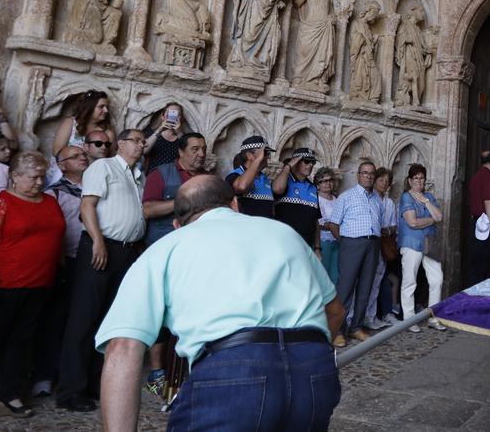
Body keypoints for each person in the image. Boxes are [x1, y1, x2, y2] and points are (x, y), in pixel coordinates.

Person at [97, 175, 344, 431]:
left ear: (176, 224)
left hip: (232, 371)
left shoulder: (165, 249)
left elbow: (123, 347)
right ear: (235, 205)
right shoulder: (286, 234)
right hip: (314, 367)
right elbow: (335, 311)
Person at [0, 151, 65, 423]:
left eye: (43, 176)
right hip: (4, 285)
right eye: (33, 177)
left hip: (39, 284)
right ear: (15, 177)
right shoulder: (0, 203)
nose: (39, 182)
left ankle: (8, 396)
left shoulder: (49, 201)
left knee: (21, 343)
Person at [56, 128, 147, 413]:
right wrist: (97, 241)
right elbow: (87, 206)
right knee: (84, 318)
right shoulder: (103, 166)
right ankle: (70, 390)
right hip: (101, 247)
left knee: (108, 320)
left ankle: (94, 383)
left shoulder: (138, 175)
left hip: (126, 251)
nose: (141, 145)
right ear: (120, 143)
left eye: (144, 142)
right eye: (136, 140)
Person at [140, 132, 207, 397]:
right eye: (194, 149)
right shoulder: (161, 173)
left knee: (188, 313)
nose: (200, 153)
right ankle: (157, 375)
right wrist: (181, 202)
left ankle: (183, 375)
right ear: (180, 152)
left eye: (203, 148)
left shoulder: (206, 179)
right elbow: (148, 210)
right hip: (163, 252)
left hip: (195, 256)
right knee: (160, 315)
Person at [31, 144, 90, 398]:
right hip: (65, 261)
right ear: (62, 165)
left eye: (83, 154)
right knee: (55, 320)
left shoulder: (96, 189)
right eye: (75, 156)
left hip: (90, 262)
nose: (83, 158)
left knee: (82, 322)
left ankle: (75, 375)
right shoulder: (54, 194)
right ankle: (44, 375)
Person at [328, 160, 383, 345]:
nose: (368, 176)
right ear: (358, 175)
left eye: (371, 173)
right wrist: (344, 244)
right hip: (351, 244)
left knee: (365, 287)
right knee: (345, 288)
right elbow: (333, 224)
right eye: (364, 172)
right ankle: (337, 330)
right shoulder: (346, 196)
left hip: (373, 244)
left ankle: (356, 327)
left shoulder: (377, 198)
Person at [398, 164, 446, 332]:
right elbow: (412, 222)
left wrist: (425, 202)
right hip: (411, 244)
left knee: (437, 279)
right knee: (410, 281)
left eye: (422, 178)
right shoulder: (406, 197)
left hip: (429, 244)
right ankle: (409, 319)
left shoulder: (429, 197)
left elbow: (439, 217)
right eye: (416, 178)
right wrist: (430, 220)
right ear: (410, 180)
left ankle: (433, 317)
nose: (419, 181)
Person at [360, 168, 398, 329]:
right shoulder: (369, 199)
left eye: (387, 181)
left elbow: (394, 226)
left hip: (382, 244)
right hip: (369, 242)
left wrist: (388, 231)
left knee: (378, 280)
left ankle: (372, 315)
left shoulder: (389, 203)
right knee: (365, 280)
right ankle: (360, 318)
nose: (384, 184)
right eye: (381, 180)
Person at [272, 147, 321, 248]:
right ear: (295, 162)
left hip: (307, 246)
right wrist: (288, 166)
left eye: (313, 162)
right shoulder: (285, 181)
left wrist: (317, 247)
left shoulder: (312, 188)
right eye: (307, 161)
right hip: (284, 243)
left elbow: (315, 221)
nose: (311, 165)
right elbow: (277, 189)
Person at [466, 151, 490, 287]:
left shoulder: (476, 176)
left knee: (476, 261)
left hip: (476, 222)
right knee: (481, 263)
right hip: (484, 223)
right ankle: (476, 297)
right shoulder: (487, 176)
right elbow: (488, 201)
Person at [225, 136, 279, 219]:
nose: (268, 157)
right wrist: (258, 160)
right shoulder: (235, 175)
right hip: (245, 229)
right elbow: (241, 186)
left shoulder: (265, 178)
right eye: (265, 153)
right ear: (249, 155)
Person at [52, 90, 116, 156]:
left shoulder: (108, 130)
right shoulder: (71, 122)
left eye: (106, 107)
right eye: (101, 107)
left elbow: (109, 157)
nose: (106, 110)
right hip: (66, 164)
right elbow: (57, 151)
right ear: (89, 108)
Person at [314, 167, 340, 285]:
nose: (328, 183)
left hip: (337, 240)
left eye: (330, 180)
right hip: (323, 240)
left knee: (335, 276)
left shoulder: (336, 199)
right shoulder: (316, 199)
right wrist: (331, 225)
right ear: (317, 184)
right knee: (323, 275)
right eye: (323, 181)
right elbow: (318, 222)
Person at [141, 103, 186, 172]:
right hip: (154, 174)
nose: (173, 116)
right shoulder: (152, 133)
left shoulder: (183, 136)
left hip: (175, 176)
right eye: (170, 113)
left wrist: (179, 132)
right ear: (162, 117)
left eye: (177, 114)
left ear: (181, 118)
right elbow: (144, 150)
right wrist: (160, 129)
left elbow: (188, 152)